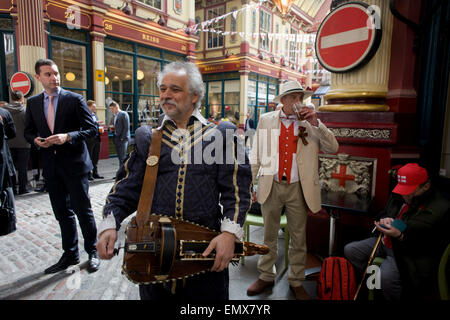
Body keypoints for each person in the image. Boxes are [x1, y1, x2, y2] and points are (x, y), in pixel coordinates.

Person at [96, 61, 252, 301]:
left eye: (175, 89)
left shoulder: (222, 135)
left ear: (194, 96)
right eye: (162, 89)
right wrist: (110, 222)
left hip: (204, 255)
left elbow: (238, 191)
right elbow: (126, 186)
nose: (166, 95)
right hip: (154, 255)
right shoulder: (147, 137)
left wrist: (229, 234)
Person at [247, 80, 339, 300]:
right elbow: (256, 153)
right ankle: (266, 275)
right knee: (268, 236)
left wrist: (317, 123)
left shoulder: (310, 123)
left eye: (301, 97)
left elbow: (333, 148)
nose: (299, 101)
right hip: (272, 184)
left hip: (299, 188)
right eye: (294, 97)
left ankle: (296, 280)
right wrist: (250, 183)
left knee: (298, 238)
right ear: (284, 100)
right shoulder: (266, 120)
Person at [24, 59, 100, 273]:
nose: (54, 78)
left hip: (74, 165)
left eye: (56, 73)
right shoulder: (33, 103)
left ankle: (92, 251)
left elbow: (91, 129)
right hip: (51, 166)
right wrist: (35, 140)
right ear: (38, 77)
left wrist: (68, 136)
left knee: (83, 211)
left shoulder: (74, 99)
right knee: (62, 213)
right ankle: (70, 254)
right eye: (48, 74)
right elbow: (28, 131)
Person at [344, 163, 450, 300]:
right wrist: (383, 219)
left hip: (408, 252)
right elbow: (383, 213)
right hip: (385, 241)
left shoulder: (441, 208)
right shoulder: (399, 195)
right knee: (351, 250)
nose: (405, 195)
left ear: (426, 186)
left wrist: (400, 235)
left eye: (409, 191)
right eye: (402, 190)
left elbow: (433, 244)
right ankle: (370, 286)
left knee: (385, 277)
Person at [2, 90, 31, 195]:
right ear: (21, 98)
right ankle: (23, 188)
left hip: (9, 142)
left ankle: (13, 188)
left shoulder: (4, 110)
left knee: (11, 167)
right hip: (24, 142)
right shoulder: (25, 110)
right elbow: (29, 126)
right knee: (23, 167)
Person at [0, 105, 16, 235]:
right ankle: (10, 220)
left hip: (3, 157)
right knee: (7, 187)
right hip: (3, 156)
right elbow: (12, 133)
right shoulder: (4, 112)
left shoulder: (3, 112)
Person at [86, 100, 104, 180]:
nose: (95, 108)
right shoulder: (85, 115)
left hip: (97, 138)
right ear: (88, 107)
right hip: (89, 139)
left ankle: (95, 172)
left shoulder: (94, 115)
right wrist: (96, 122)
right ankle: (88, 174)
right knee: (89, 156)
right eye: (93, 106)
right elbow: (86, 125)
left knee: (95, 157)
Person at [108, 101, 130, 166]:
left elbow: (126, 127)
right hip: (116, 138)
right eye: (110, 109)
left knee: (122, 157)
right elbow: (115, 126)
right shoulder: (114, 116)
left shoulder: (123, 114)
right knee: (120, 157)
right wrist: (111, 128)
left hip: (122, 139)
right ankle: (121, 173)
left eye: (112, 108)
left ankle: (122, 174)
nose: (111, 110)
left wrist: (123, 138)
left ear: (116, 107)